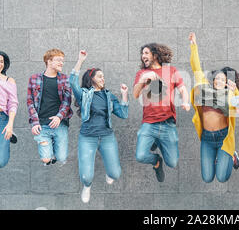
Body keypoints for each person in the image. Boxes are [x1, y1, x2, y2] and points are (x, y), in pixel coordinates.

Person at [70, 50, 129, 203]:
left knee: (115, 174)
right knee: (86, 176)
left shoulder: (109, 96)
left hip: (107, 137)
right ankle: (87, 187)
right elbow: (72, 82)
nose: (103, 78)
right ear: (92, 79)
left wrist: (124, 95)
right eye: (100, 76)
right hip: (87, 137)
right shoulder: (84, 95)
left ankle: (110, 174)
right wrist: (80, 61)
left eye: (104, 76)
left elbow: (123, 114)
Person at [188, 32, 239, 183]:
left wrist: (235, 90)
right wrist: (194, 46)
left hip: (223, 137)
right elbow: (196, 68)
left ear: (226, 82)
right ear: (213, 81)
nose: (219, 80)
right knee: (207, 178)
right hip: (207, 138)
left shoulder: (229, 95)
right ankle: (222, 157)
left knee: (221, 178)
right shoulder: (205, 90)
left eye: (223, 79)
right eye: (217, 78)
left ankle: (231, 156)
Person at [133, 42, 190, 182]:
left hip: (167, 123)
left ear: (155, 54)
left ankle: (157, 141)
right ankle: (156, 161)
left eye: (146, 53)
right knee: (140, 156)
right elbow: (135, 94)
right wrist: (142, 81)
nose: (143, 56)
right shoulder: (142, 73)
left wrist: (186, 102)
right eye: (142, 54)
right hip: (149, 123)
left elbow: (182, 89)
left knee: (172, 163)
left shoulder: (170, 71)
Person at [27, 48, 73, 166]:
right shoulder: (34, 79)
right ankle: (45, 144)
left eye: (63, 61)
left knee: (62, 158)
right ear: (49, 61)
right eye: (58, 60)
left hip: (59, 123)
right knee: (46, 159)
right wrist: (35, 122)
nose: (61, 63)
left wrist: (59, 117)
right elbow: (30, 101)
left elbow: (67, 102)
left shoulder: (64, 79)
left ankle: (50, 145)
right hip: (41, 124)